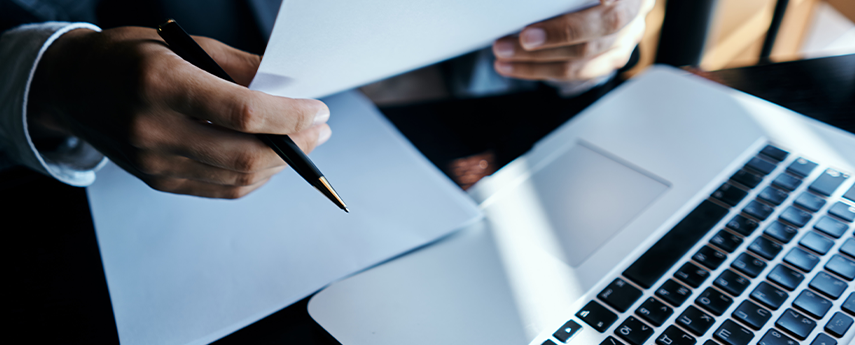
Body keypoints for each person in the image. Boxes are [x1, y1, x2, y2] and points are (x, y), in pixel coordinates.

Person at [0, 0, 652, 199]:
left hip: (482, 146)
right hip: (107, 186)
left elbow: (595, 35)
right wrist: (52, 78)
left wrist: (593, 42)